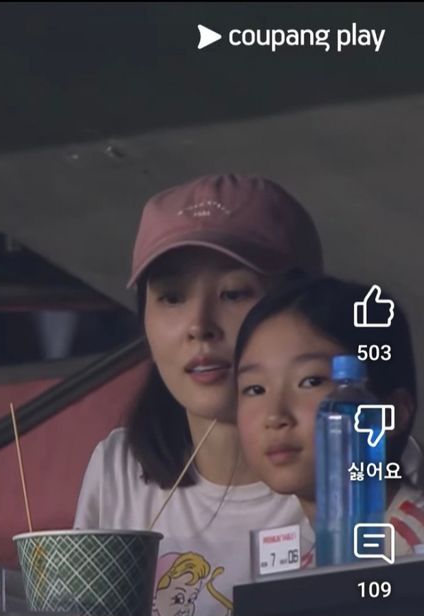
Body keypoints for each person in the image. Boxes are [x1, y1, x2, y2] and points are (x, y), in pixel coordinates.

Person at [74, 173, 324, 615]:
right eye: (172, 297)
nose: (199, 325)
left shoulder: (365, 475)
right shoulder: (119, 471)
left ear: (304, 309)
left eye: (233, 293)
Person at [235, 276, 424, 566]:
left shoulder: (413, 549)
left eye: (311, 381)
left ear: (392, 412)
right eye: (255, 389)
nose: (275, 416)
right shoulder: (306, 561)